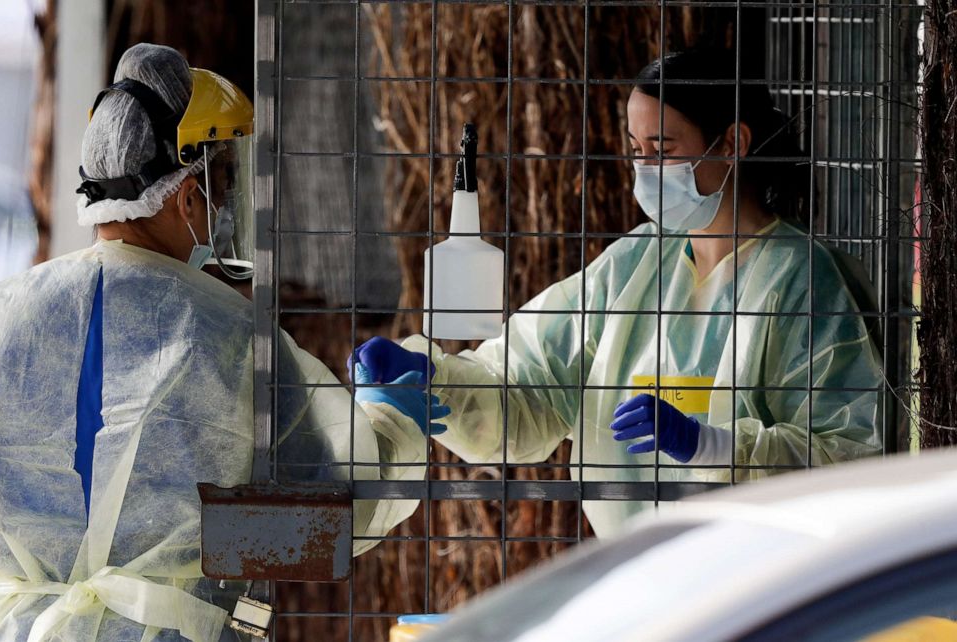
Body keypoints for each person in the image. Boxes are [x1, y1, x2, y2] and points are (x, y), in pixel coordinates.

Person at [0, 43, 446, 641]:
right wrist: (392, 421)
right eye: (214, 184)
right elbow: (338, 518)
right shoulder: (229, 335)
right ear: (188, 196)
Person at [351, 49, 882, 538]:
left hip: (750, 587)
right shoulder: (635, 264)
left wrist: (709, 446)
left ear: (733, 144)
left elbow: (847, 457)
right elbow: (529, 388)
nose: (645, 169)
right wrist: (434, 378)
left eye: (662, 149)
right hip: (634, 574)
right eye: (635, 149)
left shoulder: (800, 281)